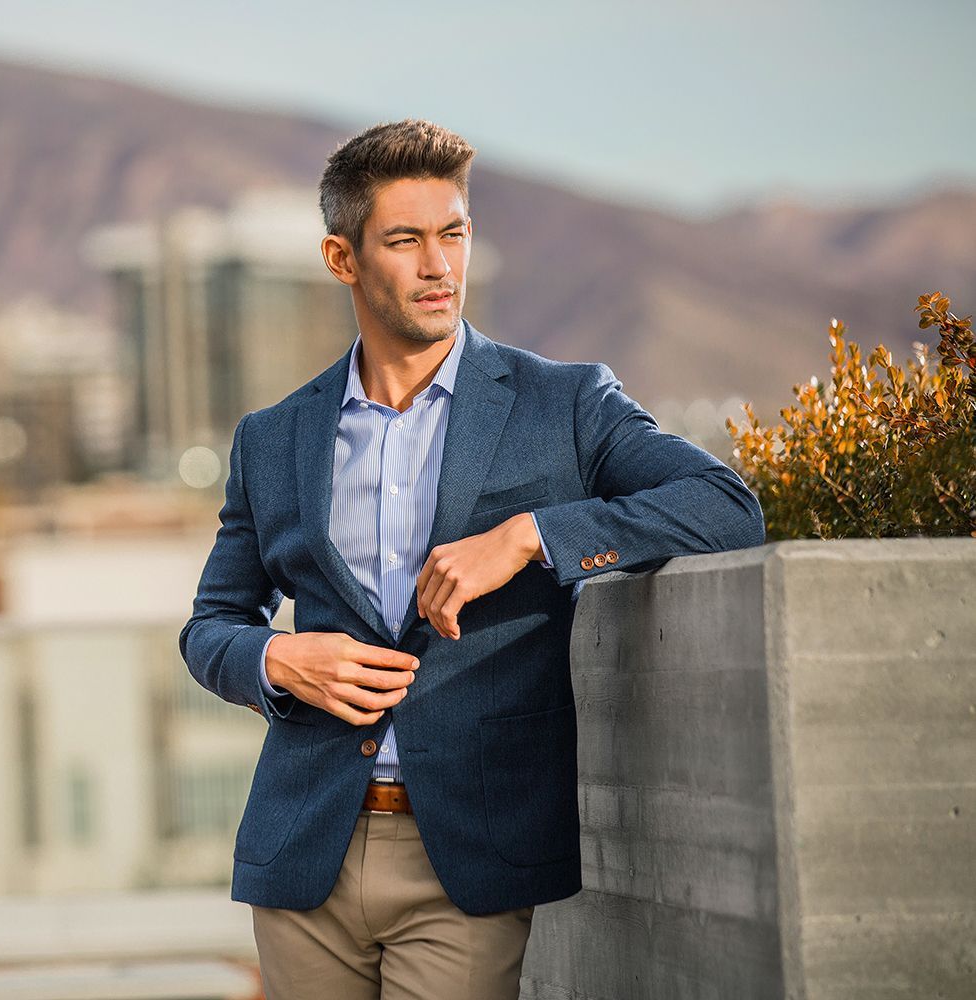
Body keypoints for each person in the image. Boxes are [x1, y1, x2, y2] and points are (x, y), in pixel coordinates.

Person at [178, 119, 765, 999]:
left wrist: (532, 536)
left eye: (452, 234)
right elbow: (211, 626)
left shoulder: (563, 403)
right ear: (342, 258)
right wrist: (279, 659)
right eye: (404, 241)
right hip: (303, 852)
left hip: (468, 856)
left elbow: (726, 508)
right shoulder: (273, 438)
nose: (438, 266)